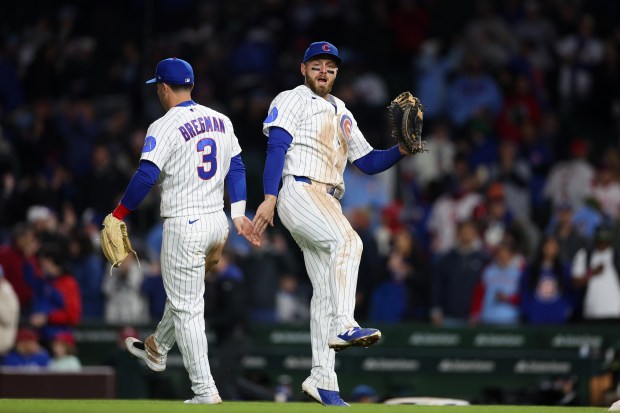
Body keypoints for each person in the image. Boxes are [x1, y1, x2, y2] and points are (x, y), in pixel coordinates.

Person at [252, 41, 415, 406]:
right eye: (316, 65)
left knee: (325, 290)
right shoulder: (293, 98)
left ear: (337, 72)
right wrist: (269, 197)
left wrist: (401, 150)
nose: (323, 71)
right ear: (303, 69)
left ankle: (322, 379)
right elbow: (277, 146)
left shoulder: (342, 110)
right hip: (299, 188)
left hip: (326, 198)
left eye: (330, 66)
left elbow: (368, 161)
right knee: (350, 243)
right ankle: (345, 323)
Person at [107, 57, 260, 405]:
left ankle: (204, 391)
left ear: (162, 87)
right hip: (217, 223)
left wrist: (118, 214)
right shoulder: (221, 119)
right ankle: (157, 348)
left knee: (188, 307)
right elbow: (236, 166)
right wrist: (237, 213)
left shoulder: (163, 125)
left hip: (184, 224)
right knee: (185, 297)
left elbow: (146, 175)